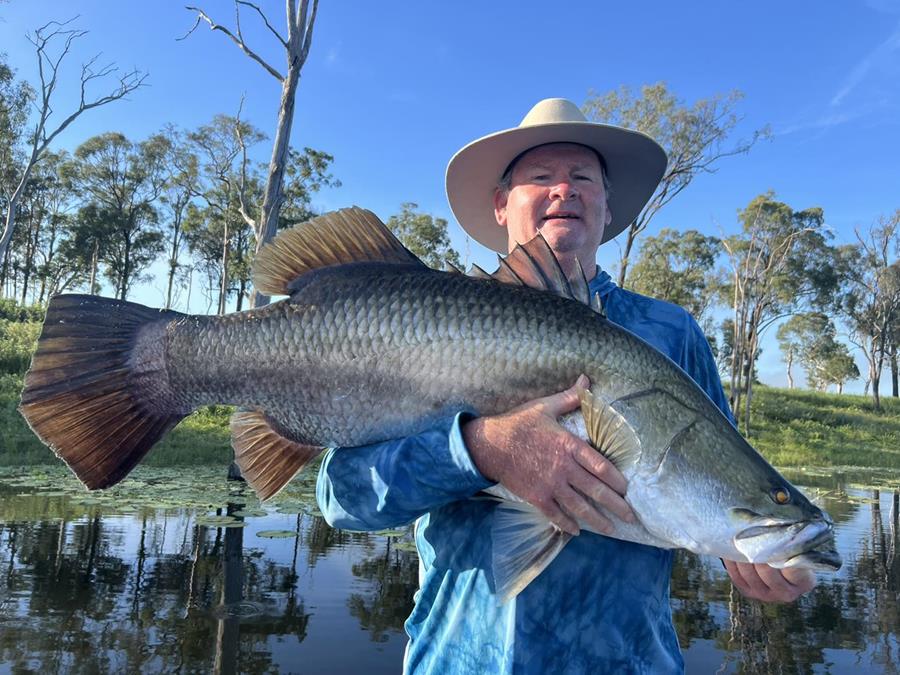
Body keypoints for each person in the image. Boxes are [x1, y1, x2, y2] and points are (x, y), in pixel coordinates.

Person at [316, 98, 815, 673]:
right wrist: (482, 450)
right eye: (540, 176)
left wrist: (766, 556)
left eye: (582, 177)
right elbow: (341, 499)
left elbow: (717, 481)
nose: (564, 189)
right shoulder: (414, 324)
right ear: (502, 204)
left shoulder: (672, 333)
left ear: (607, 206)